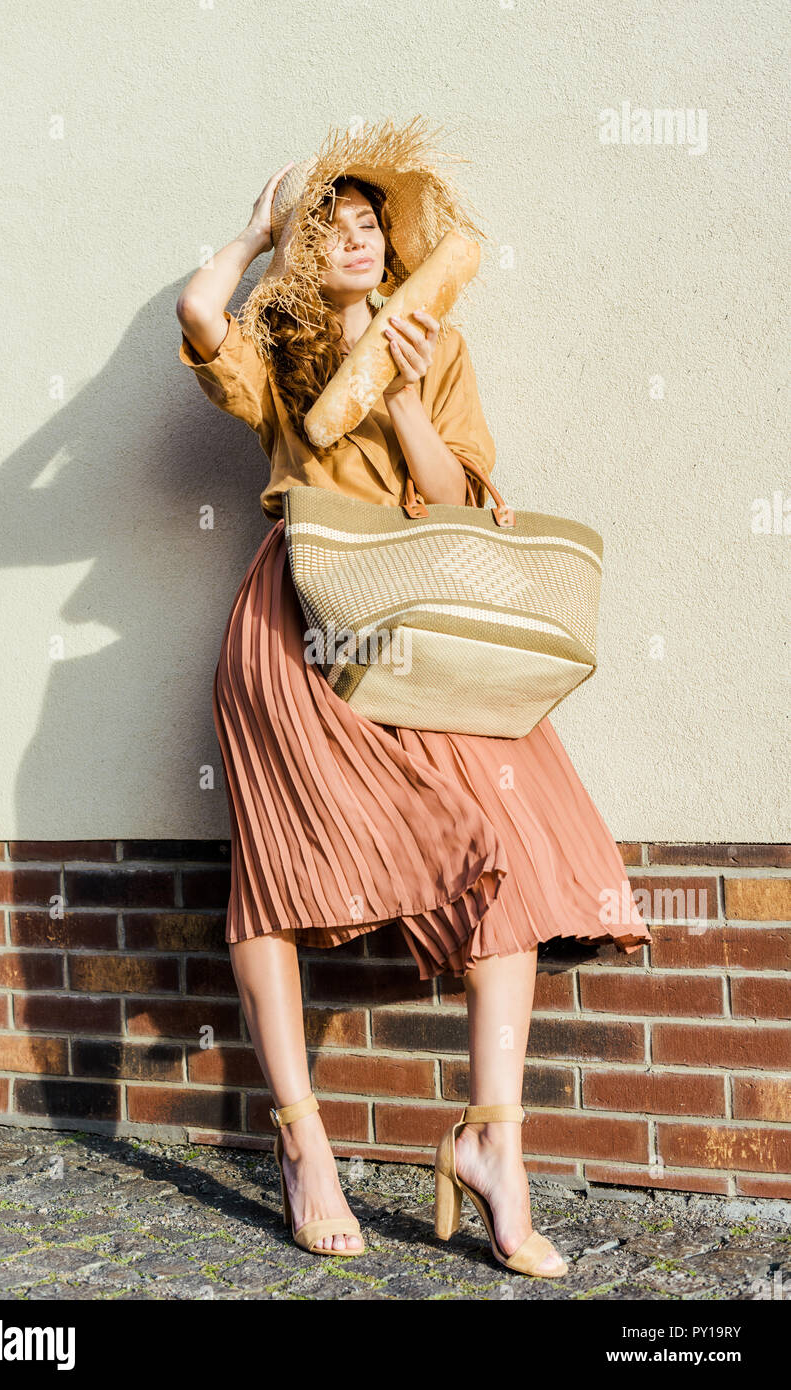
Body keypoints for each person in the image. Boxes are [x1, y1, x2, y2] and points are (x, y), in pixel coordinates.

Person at [176, 117, 651, 1275]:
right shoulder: (281, 344)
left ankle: (493, 1140)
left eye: (369, 228)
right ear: (310, 248)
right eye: (333, 227)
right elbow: (198, 320)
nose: (355, 240)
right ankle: (303, 1140)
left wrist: (395, 388)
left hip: (417, 613)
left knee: (505, 840)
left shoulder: (437, 344)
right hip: (297, 617)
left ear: (395, 252)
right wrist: (253, 232)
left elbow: (455, 493)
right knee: (280, 872)